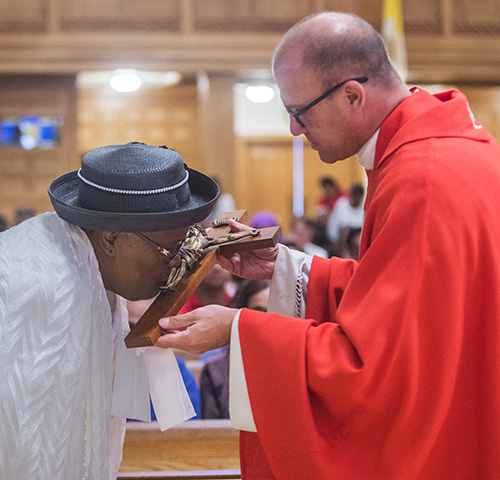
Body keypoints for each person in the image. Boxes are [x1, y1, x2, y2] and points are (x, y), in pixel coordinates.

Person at [154, 11, 500, 480]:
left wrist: (240, 330)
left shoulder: (422, 179)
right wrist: (289, 269)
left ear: (352, 95)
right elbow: (413, 304)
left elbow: (378, 372)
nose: (294, 129)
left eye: (298, 112)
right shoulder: (439, 149)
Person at [0, 142, 219, 479]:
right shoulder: (45, 293)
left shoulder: (84, 257)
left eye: (184, 244)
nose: (178, 263)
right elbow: (29, 452)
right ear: (112, 239)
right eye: (169, 250)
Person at [199, 279, 270, 419]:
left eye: (275, 313)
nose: (268, 321)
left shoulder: (299, 367)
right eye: (258, 313)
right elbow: (210, 434)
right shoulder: (215, 370)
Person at [326, 183, 365, 256]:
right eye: (354, 195)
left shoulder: (365, 207)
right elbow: (333, 226)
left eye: (358, 195)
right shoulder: (341, 204)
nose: (356, 198)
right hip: (343, 240)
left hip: (359, 238)